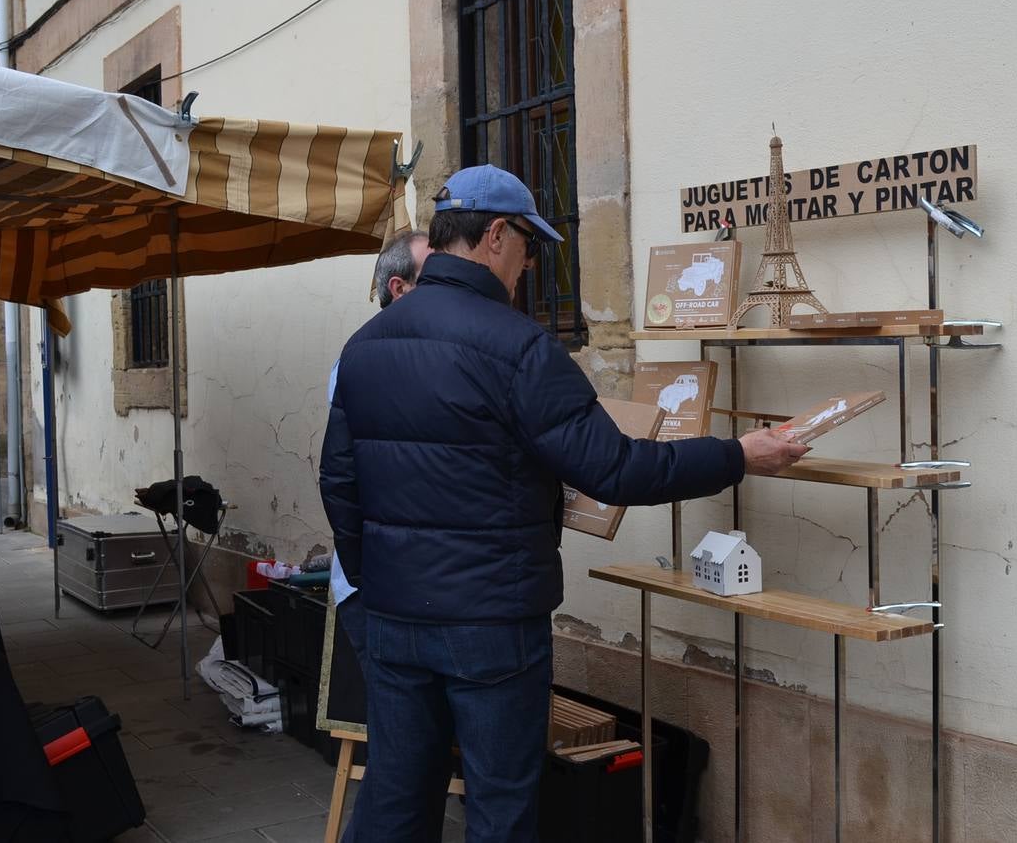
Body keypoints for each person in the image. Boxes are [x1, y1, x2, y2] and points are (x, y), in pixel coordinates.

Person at [319, 165, 806, 843]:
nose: (528, 263)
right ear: (494, 236)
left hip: (395, 617)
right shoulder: (518, 348)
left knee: (397, 799)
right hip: (492, 623)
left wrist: (375, 585)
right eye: (529, 244)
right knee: (500, 807)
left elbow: (337, 484)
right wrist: (738, 455)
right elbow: (615, 468)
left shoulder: (366, 347)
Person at [325, 229, 431, 657]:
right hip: (378, 586)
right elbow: (341, 479)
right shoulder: (362, 360)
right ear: (398, 288)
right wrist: (364, 577)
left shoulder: (434, 351)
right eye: (434, 275)